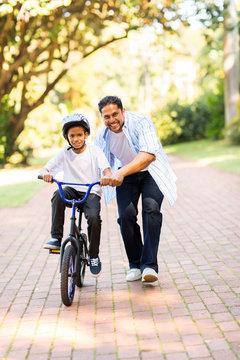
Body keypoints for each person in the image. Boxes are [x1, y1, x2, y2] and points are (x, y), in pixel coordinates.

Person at [96, 96, 177, 283]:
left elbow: (148, 155)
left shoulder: (142, 122)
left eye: (115, 114)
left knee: (151, 210)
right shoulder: (102, 135)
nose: (111, 120)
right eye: (106, 117)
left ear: (123, 111)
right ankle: (135, 264)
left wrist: (120, 173)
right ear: (102, 117)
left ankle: (149, 265)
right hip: (125, 175)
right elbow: (102, 162)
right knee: (125, 217)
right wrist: (108, 173)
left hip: (152, 172)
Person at [39, 112, 112, 278]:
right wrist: (46, 173)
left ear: (86, 134)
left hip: (91, 190)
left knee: (93, 218)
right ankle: (56, 239)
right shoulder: (65, 152)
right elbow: (46, 168)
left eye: (80, 135)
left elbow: (106, 170)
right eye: (72, 136)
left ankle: (93, 255)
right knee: (58, 194)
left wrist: (107, 177)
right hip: (71, 188)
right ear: (66, 137)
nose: (76, 139)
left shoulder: (95, 152)